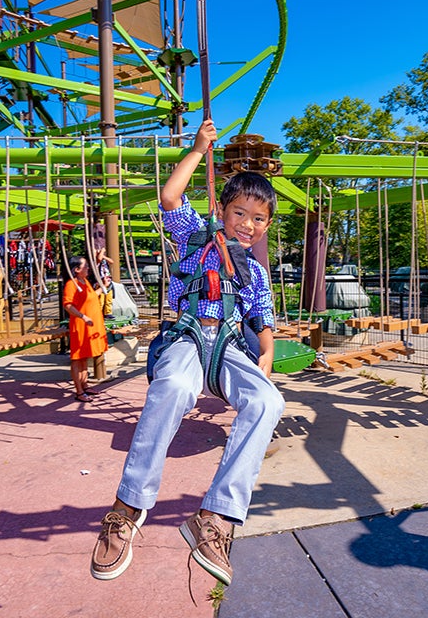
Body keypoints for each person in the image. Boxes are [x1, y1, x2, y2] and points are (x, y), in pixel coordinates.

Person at [90, 119, 284, 587]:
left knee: (268, 402)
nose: (247, 225)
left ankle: (216, 517)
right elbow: (171, 197)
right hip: (189, 335)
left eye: (258, 220)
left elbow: (262, 318)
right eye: (239, 213)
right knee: (174, 385)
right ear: (222, 209)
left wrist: (269, 353)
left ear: (266, 227)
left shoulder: (256, 273)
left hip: (231, 345)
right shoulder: (197, 237)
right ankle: (129, 505)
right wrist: (198, 149)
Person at [63, 256, 108, 402]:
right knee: (77, 358)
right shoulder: (72, 284)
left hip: (89, 326)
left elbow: (91, 297)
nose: (88, 268)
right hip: (81, 326)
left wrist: (103, 287)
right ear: (76, 270)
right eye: (85, 266)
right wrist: (83, 316)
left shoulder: (84, 282)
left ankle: (85, 384)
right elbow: (68, 305)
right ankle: (79, 391)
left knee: (84, 357)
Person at [95, 247, 115, 319]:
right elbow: (99, 258)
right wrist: (102, 251)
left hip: (108, 280)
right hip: (101, 281)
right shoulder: (96, 261)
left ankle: (108, 312)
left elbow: (111, 261)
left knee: (108, 298)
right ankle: (99, 312)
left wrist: (104, 256)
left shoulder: (104, 261)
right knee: (101, 300)